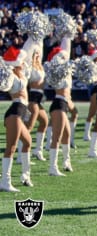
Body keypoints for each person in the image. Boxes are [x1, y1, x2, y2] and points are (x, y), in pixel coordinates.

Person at [0, 46, 33, 191]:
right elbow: (4, 86)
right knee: (11, 147)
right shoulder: (11, 76)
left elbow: (30, 57)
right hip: (15, 112)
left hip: (22, 111)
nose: (23, 61)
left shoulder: (22, 73)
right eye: (20, 59)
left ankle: (25, 176)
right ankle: (5, 181)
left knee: (28, 142)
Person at [45, 36, 75, 176]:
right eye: (61, 57)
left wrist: (67, 35)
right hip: (58, 104)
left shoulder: (65, 71)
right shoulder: (57, 73)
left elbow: (66, 49)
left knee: (67, 135)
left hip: (64, 105)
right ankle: (52, 167)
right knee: (57, 137)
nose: (64, 58)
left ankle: (66, 162)